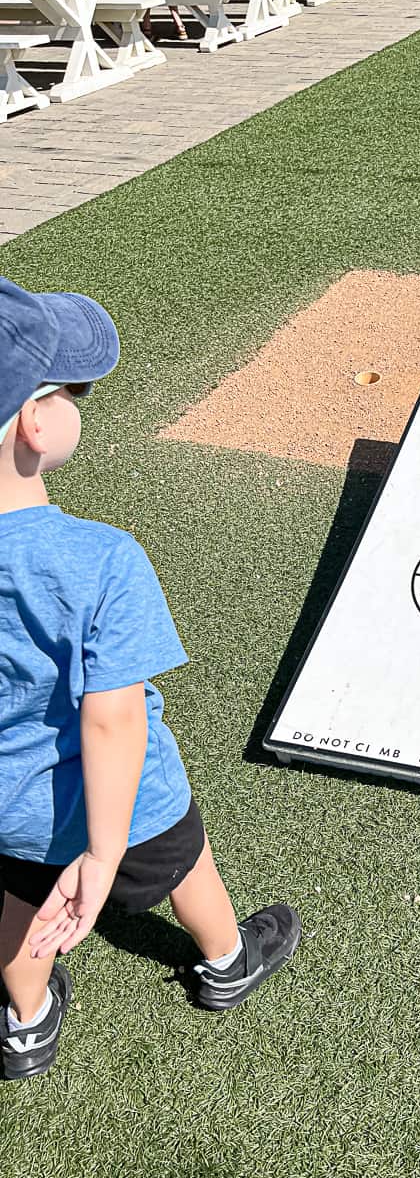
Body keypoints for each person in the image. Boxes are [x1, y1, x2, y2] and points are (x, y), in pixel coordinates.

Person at [0, 277, 301, 1081]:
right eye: (71, 391)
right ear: (35, 422)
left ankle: (24, 1025)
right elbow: (112, 722)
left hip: (6, 807)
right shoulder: (103, 559)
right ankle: (228, 962)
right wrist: (101, 854)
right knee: (188, 863)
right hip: (130, 805)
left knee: (22, 904)